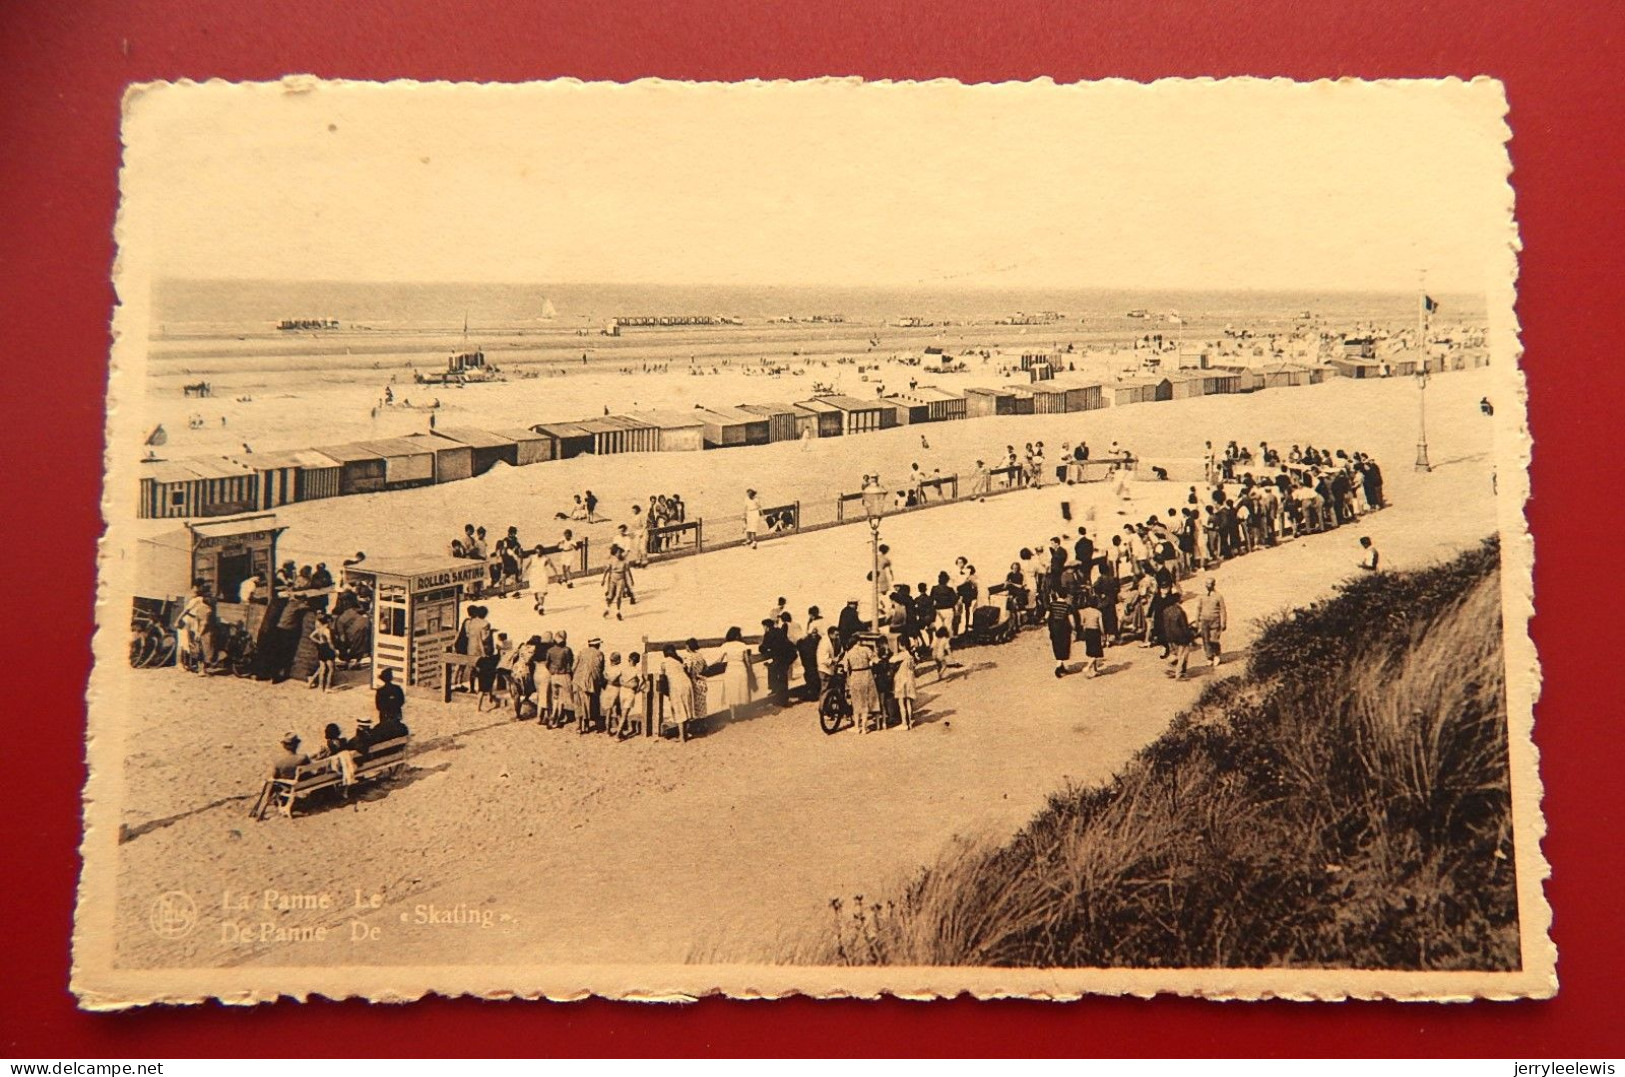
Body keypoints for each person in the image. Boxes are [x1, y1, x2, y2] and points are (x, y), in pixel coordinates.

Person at [842, 633, 882, 732]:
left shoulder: (849, 653)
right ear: (859, 641)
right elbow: (875, 660)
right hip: (867, 674)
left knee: (857, 702)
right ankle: (864, 728)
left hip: (855, 676)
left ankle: (857, 727)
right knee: (866, 700)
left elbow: (845, 668)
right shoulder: (866, 649)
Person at [1044, 584, 1082, 678]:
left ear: (1057, 594)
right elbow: (1071, 620)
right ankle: (1058, 666)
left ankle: (1061, 665)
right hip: (1064, 628)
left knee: (1056, 646)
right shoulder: (1067, 606)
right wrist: (1074, 629)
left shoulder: (1051, 604)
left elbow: (1046, 616)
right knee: (1064, 646)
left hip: (1054, 628)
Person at [658, 645, 695, 741]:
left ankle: (682, 737)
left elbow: (662, 678)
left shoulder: (664, 662)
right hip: (687, 684)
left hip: (676, 686)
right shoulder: (679, 661)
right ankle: (686, 733)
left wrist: (664, 691)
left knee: (679, 710)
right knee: (686, 708)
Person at [759, 617, 797, 708]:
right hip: (788, 656)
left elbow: (763, 648)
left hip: (780, 658)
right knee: (783, 678)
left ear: (766, 626)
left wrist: (761, 648)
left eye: (763, 626)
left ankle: (777, 698)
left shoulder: (768, 634)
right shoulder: (779, 631)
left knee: (776, 675)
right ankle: (783, 700)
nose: (763, 628)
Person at [572, 636, 607, 734]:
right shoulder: (600, 654)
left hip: (578, 681)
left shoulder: (581, 652)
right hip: (590, 683)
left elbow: (574, 666)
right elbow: (601, 669)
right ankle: (586, 725)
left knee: (578, 703)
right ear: (597, 645)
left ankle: (579, 726)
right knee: (588, 704)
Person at [715, 626, 754, 711]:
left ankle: (733, 716)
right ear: (737, 635)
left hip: (731, 669)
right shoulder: (742, 645)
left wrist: (709, 665)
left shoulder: (725, 645)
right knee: (741, 690)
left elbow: (719, 659)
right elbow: (747, 660)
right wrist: (751, 671)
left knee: (731, 691)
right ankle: (741, 713)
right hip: (741, 668)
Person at [1160, 593, 1196, 679]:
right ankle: (1179, 674)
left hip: (1170, 637)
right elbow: (1184, 626)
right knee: (1183, 655)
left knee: (1174, 654)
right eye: (1180, 598)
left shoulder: (1165, 611)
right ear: (1177, 600)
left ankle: (1171, 670)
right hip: (1181, 637)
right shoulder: (1180, 611)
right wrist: (1189, 637)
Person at [544, 630, 575, 727]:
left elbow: (547, 664)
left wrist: (552, 671)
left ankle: (553, 716)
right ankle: (557, 719)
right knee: (563, 699)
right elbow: (571, 663)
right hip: (564, 675)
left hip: (554, 676)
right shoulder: (567, 650)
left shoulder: (550, 650)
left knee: (555, 698)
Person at [1195, 577, 1228, 669]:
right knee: (1205, 640)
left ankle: (1216, 655)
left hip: (1215, 621)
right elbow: (1198, 608)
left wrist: (1223, 622)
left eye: (1209, 584)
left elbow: (1223, 610)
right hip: (1204, 621)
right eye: (1206, 584)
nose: (1207, 586)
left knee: (1214, 639)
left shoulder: (1218, 596)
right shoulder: (1202, 596)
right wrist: (1197, 621)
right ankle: (1209, 657)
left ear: (1213, 585)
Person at [798, 608, 826, 701]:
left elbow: (808, 634)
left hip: (813, 649)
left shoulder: (813, 623)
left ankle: (813, 693)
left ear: (811, 615)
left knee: (810, 671)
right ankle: (819, 691)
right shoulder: (824, 620)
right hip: (823, 647)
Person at [306, 613, 337, 692]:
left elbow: (311, 636)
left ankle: (320, 686)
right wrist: (334, 650)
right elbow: (330, 641)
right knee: (331, 669)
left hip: (321, 648)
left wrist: (319, 642)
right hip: (327, 649)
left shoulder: (319, 629)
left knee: (322, 668)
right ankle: (328, 687)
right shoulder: (327, 630)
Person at [371, 668, 405, 736]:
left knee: (385, 731)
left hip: (385, 714)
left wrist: (386, 709)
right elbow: (402, 701)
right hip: (396, 712)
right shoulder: (397, 688)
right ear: (391, 678)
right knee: (397, 729)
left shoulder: (380, 691)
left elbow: (378, 706)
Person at [892, 642, 917, 729]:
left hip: (902, 680)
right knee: (908, 702)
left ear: (903, 645)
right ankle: (910, 722)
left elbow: (891, 660)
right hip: (910, 680)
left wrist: (895, 654)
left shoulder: (902, 655)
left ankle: (904, 723)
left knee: (901, 702)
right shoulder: (911, 656)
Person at [1077, 601, 1105, 677]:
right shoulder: (1098, 612)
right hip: (1095, 632)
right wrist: (1103, 634)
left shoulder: (1084, 611)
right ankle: (1087, 667)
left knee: (1091, 651)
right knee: (1096, 652)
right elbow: (1101, 625)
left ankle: (1095, 670)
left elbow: (1082, 623)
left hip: (1087, 631)